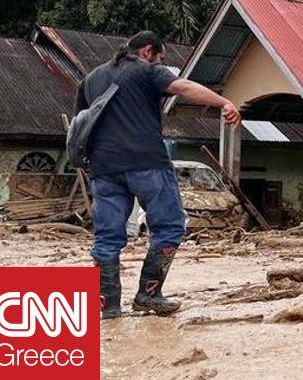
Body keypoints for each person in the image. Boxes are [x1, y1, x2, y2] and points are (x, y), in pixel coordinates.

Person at [77, 31, 241, 320]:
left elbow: (81, 122)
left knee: (106, 238)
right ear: (148, 51)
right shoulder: (146, 69)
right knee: (169, 226)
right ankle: (148, 294)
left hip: (104, 168)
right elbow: (184, 88)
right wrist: (223, 103)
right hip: (146, 161)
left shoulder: (91, 79)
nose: (161, 62)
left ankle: (108, 308)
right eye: (161, 58)